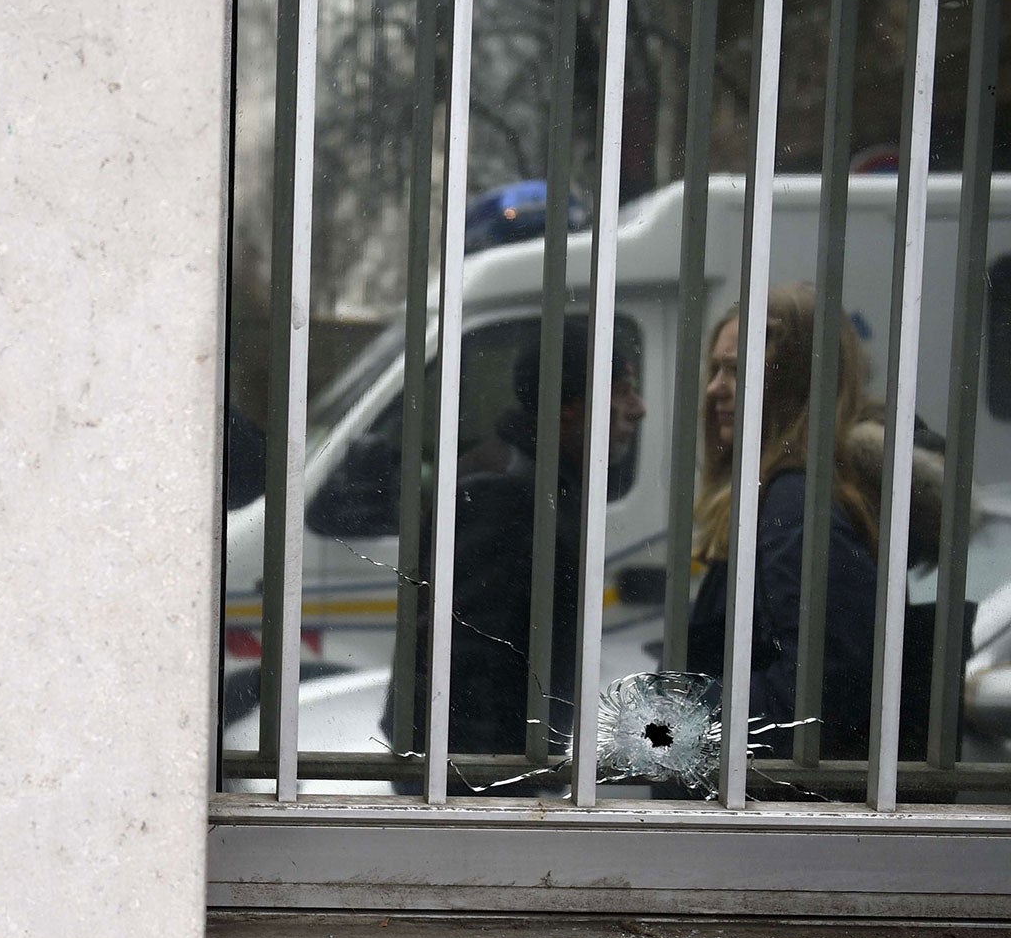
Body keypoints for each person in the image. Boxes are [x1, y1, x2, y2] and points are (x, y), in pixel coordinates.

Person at [684, 282, 946, 761]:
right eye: (715, 369)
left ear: (794, 383)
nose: (714, 388)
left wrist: (682, 716)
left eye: (738, 371)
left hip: (780, 811)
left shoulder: (798, 503)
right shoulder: (793, 492)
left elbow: (819, 690)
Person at [386, 318, 646, 756]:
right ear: (568, 405)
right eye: (622, 391)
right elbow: (465, 660)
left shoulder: (543, 479)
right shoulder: (503, 491)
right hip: (472, 777)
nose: (637, 407)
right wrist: (499, 788)